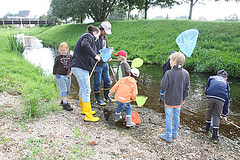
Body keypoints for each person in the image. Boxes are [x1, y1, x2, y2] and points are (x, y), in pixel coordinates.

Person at [71, 25, 101, 122]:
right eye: (98, 36)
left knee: (83, 88)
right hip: (79, 67)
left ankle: (84, 110)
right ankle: (88, 115)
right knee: (87, 89)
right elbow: (85, 45)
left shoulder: (89, 38)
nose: (97, 39)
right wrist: (95, 55)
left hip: (78, 67)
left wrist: (99, 57)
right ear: (95, 33)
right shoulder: (88, 36)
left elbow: (92, 54)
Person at [160, 51, 190, 143]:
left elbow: (163, 86)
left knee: (169, 117)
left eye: (170, 60)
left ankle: (168, 135)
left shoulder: (168, 73)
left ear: (173, 61)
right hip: (179, 100)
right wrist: (184, 98)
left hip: (169, 100)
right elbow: (186, 88)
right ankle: (174, 134)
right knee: (177, 116)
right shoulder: (186, 73)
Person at [93, 21, 115, 106]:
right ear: (101, 29)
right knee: (97, 82)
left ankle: (106, 96)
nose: (105, 33)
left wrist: (110, 52)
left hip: (105, 63)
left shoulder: (105, 37)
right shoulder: (96, 37)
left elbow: (106, 48)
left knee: (107, 80)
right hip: (97, 64)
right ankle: (98, 98)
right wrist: (100, 57)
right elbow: (94, 51)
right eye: (105, 31)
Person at [205, 69, 230, 142]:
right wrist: (224, 114)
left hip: (210, 95)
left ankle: (207, 128)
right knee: (216, 114)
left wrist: (208, 96)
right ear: (226, 78)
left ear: (217, 75)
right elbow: (227, 99)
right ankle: (215, 136)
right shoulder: (226, 83)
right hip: (221, 98)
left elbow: (206, 89)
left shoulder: (211, 78)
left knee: (208, 111)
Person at [52, 42, 73, 111]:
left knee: (67, 89)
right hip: (60, 75)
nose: (62, 52)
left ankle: (63, 100)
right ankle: (65, 104)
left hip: (67, 75)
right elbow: (55, 67)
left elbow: (73, 65)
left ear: (67, 49)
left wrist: (71, 72)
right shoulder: (58, 57)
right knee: (63, 89)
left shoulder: (70, 56)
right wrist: (54, 75)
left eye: (64, 50)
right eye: (61, 50)